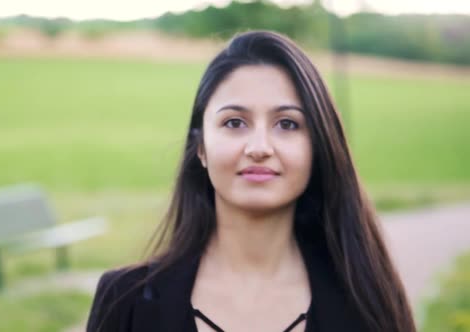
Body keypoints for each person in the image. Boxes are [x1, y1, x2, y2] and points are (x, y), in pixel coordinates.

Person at [86, 30, 416, 332]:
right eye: (234, 122)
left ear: (318, 148)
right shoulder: (124, 303)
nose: (259, 148)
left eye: (287, 124)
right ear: (200, 148)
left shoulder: (367, 302)